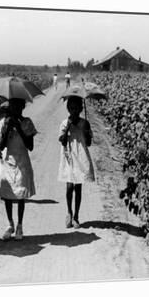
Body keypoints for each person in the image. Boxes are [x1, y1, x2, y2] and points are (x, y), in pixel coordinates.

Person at [0, 98, 36, 241]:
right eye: (13, 107)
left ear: (23, 107)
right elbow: (2, 145)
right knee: (8, 194)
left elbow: (30, 146)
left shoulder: (27, 122)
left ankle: (20, 225)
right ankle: (10, 224)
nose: (15, 109)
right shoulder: (3, 123)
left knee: (21, 194)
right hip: (7, 162)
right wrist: (8, 129)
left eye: (18, 106)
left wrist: (20, 128)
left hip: (22, 161)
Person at [58, 96, 95, 228]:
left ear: (80, 109)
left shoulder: (85, 123)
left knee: (78, 187)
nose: (74, 111)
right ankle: (69, 211)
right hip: (69, 156)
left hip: (80, 156)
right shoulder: (64, 123)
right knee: (69, 187)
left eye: (76, 108)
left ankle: (76, 216)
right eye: (71, 108)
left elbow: (89, 143)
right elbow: (62, 141)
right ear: (68, 109)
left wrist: (85, 131)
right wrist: (68, 127)